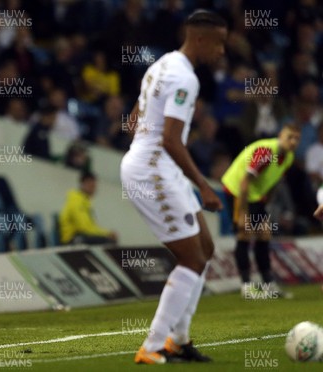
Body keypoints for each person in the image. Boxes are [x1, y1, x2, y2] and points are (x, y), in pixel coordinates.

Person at [120, 10, 227, 364]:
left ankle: (178, 341)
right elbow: (170, 140)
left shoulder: (161, 64)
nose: (222, 52)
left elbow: (134, 118)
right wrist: (204, 186)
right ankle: (151, 346)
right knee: (192, 257)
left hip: (157, 167)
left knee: (205, 247)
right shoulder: (186, 79)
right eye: (219, 43)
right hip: (154, 172)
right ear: (200, 39)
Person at [221, 124, 301, 298]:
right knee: (244, 233)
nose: (293, 142)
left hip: (255, 194)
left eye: (296, 138)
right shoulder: (266, 152)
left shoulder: (288, 157)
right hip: (237, 190)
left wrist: (265, 205)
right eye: (290, 137)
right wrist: (243, 215)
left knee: (264, 234)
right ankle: (246, 286)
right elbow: (244, 182)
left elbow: (274, 181)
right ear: (281, 135)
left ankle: (268, 285)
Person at [59, 171, 116, 245]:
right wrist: (106, 233)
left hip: (80, 235)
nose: (94, 189)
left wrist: (106, 233)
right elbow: (84, 227)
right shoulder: (76, 201)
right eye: (92, 186)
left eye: (94, 187)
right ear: (83, 184)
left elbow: (91, 226)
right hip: (72, 239)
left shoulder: (85, 202)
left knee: (108, 240)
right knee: (107, 241)